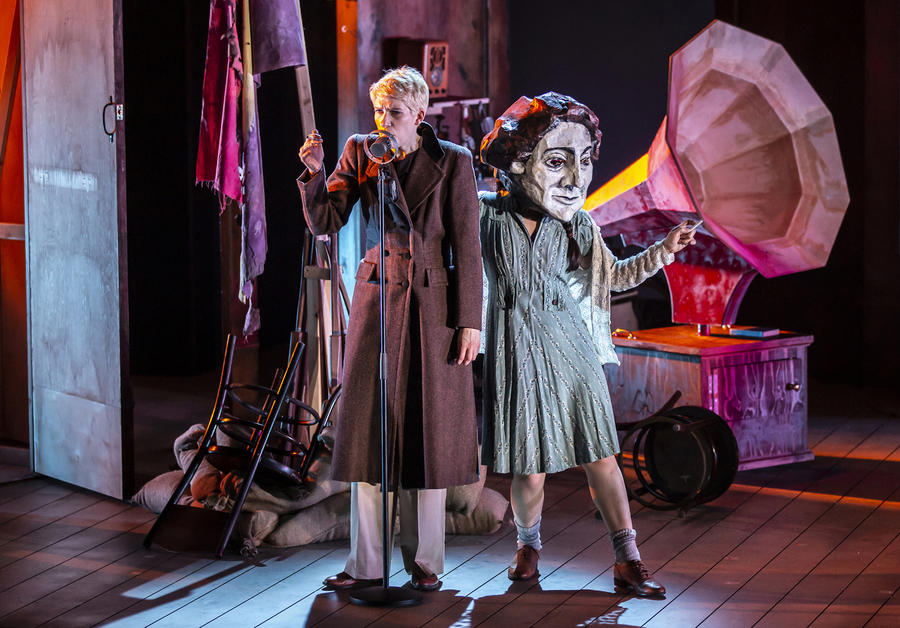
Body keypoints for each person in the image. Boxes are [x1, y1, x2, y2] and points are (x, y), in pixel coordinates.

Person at [478, 92, 697, 597]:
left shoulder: (577, 223)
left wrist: (663, 250)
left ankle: (628, 559)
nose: (575, 177)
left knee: (601, 457)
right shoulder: (488, 216)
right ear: (519, 161)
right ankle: (528, 547)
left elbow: (615, 276)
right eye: (557, 161)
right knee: (530, 469)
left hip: (571, 350)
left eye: (584, 161)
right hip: (517, 353)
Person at [297, 66, 482, 592]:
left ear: (419, 116)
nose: (383, 121)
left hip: (432, 310)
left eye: (394, 113)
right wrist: (314, 173)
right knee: (369, 436)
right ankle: (365, 565)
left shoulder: (453, 162)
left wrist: (470, 321)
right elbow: (328, 222)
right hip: (378, 301)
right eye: (378, 111)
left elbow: (467, 249)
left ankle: (425, 565)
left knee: (429, 435)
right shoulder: (362, 152)